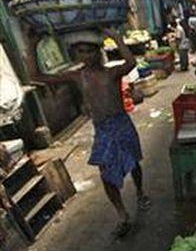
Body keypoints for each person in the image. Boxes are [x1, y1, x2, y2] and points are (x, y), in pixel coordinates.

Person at [25, 28, 151, 238]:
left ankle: (140, 192)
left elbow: (130, 63)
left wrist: (117, 37)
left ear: (98, 52)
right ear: (76, 55)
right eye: (81, 51)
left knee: (133, 163)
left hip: (121, 124)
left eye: (90, 51)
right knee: (105, 174)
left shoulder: (111, 73)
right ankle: (122, 214)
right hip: (102, 130)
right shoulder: (77, 76)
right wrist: (32, 45)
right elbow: (35, 76)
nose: (86, 55)